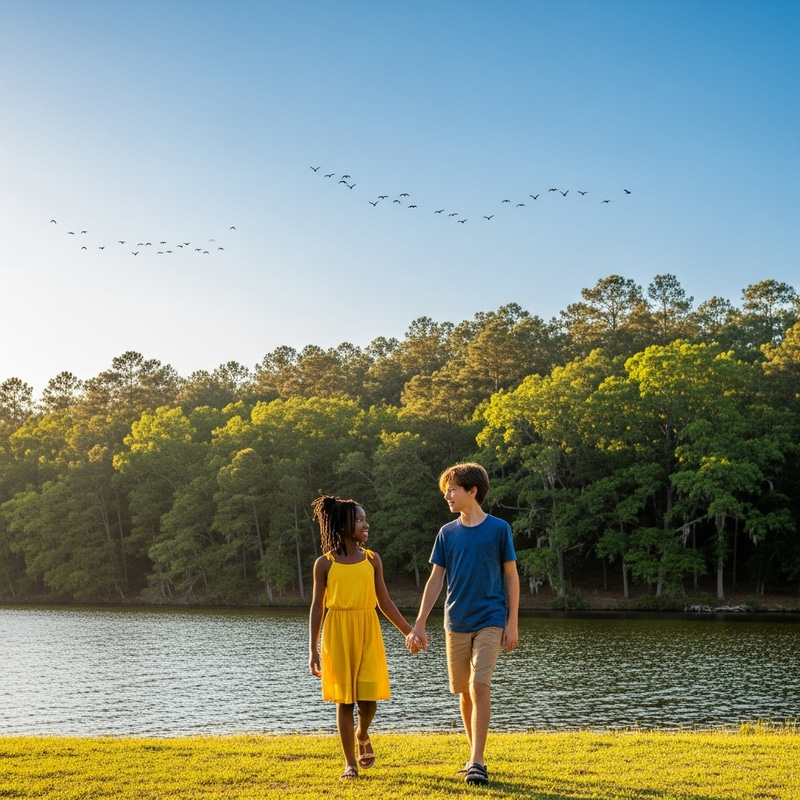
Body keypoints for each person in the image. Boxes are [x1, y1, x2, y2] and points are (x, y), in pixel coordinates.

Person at [406, 462, 519, 786]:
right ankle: (473, 756)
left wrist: (512, 623)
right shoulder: (447, 533)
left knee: (478, 685)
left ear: (472, 491)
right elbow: (435, 579)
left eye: (452, 489)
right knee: (463, 692)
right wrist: (420, 624)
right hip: (455, 621)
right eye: (446, 491)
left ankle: (478, 762)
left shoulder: (499, 529)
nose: (447, 496)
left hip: (491, 618)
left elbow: (511, 576)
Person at [309, 494, 420, 780]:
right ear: (342, 525)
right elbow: (317, 607)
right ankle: (350, 764)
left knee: (368, 700)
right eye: (359, 519)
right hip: (338, 632)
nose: (365, 523)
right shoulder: (325, 564)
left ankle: (362, 732)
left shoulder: (372, 560)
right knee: (344, 701)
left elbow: (384, 601)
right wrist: (313, 650)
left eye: (364, 518)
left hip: (367, 629)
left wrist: (409, 630)